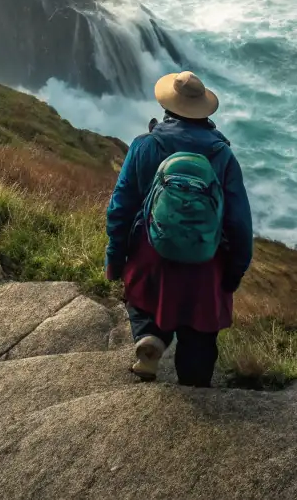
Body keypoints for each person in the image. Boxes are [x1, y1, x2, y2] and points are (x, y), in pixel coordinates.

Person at [105, 70, 253, 388]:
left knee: (143, 302)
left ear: (167, 107)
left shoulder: (145, 146)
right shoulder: (223, 155)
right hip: (205, 265)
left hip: (151, 258)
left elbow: (120, 208)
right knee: (199, 340)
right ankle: (196, 387)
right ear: (203, 112)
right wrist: (234, 272)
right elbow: (239, 224)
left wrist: (115, 259)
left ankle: (150, 337)